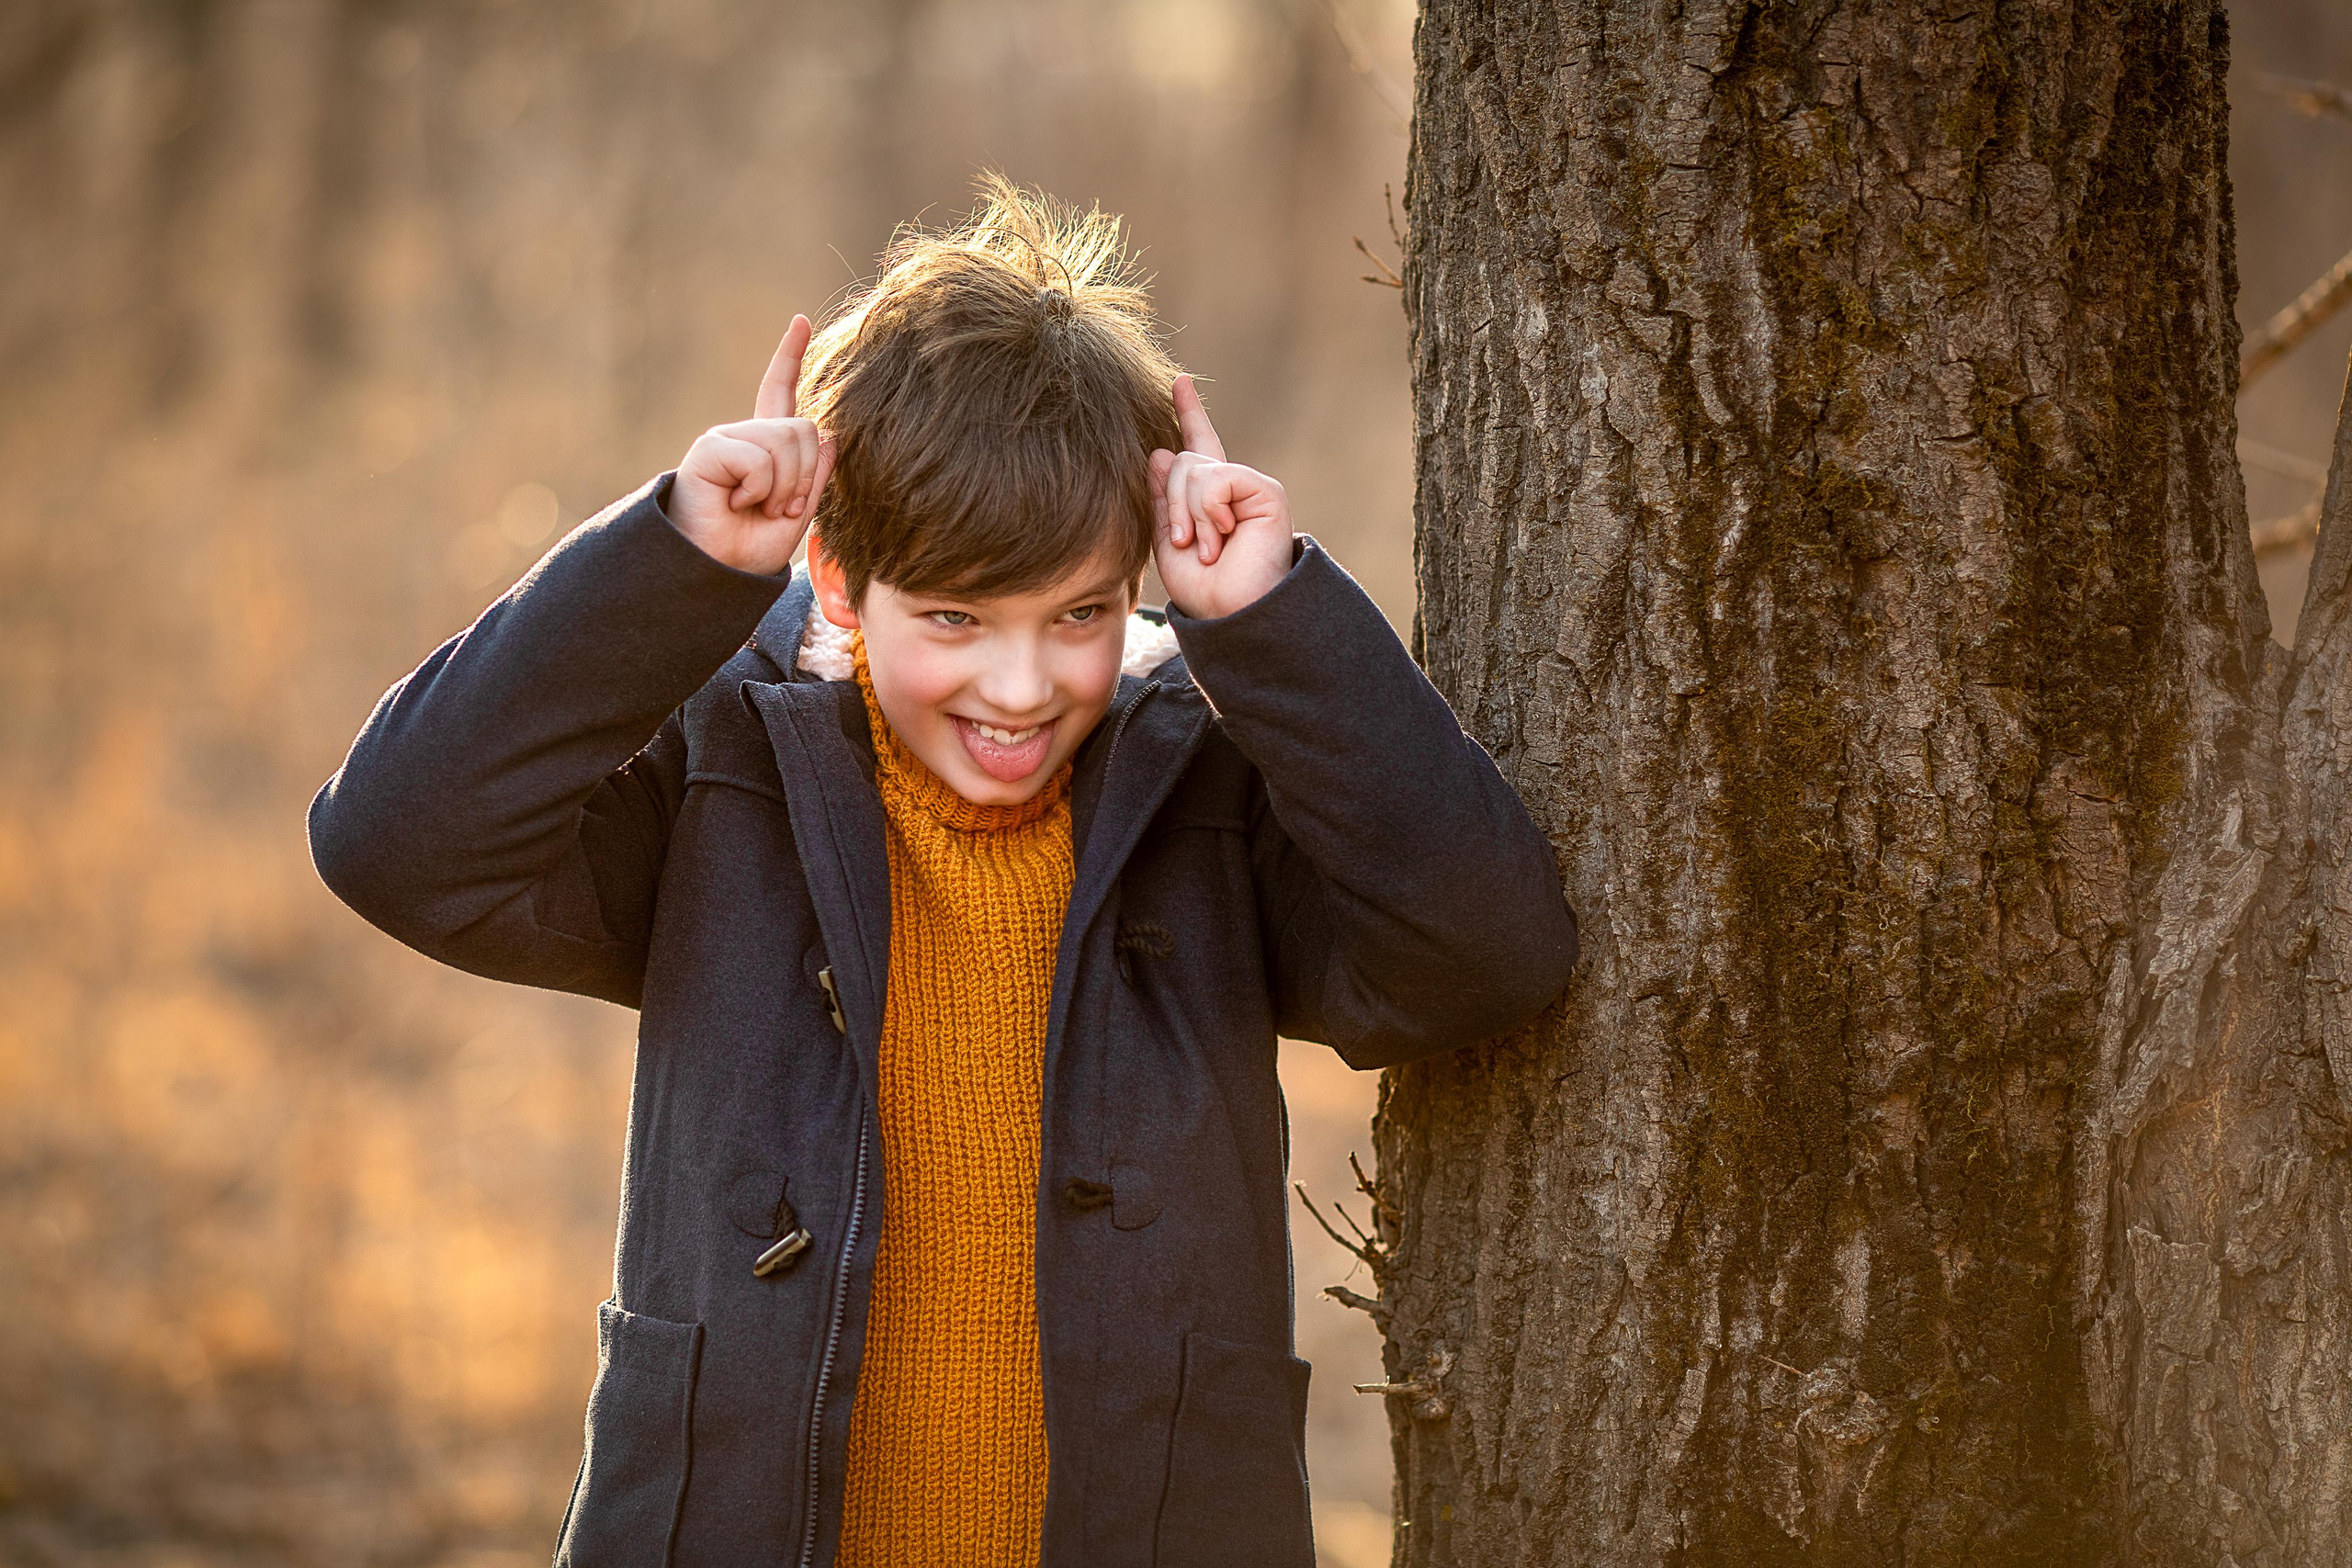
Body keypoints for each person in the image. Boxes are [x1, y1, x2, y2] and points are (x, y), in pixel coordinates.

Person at [306, 171, 1577, 1568]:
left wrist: (1270, 626)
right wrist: (680, 563)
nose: (1023, 686)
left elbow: (1484, 955)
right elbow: (400, 847)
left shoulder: (1202, 788)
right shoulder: (730, 769)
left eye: (1080, 612)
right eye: (956, 617)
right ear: (843, 585)